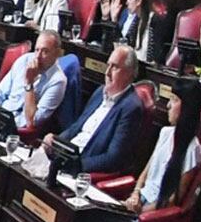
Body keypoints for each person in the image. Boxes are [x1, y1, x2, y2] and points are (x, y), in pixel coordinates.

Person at [122, 77, 201, 222]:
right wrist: (135, 195)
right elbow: (145, 172)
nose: (168, 105)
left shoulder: (192, 148)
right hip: (138, 202)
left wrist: (142, 211)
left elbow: (174, 199)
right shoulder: (165, 133)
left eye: (174, 100)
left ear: (187, 108)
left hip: (153, 218)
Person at [45, 45, 146, 174]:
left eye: (114, 67)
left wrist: (75, 166)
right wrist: (55, 141)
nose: (107, 72)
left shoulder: (131, 107)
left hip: (82, 167)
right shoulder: (100, 92)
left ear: (129, 73)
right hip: (66, 156)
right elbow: (77, 127)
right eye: (108, 65)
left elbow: (113, 158)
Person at [0, 31, 67, 132]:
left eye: (45, 51)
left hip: (17, 131)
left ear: (57, 53)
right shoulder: (24, 60)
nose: (38, 56)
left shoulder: (58, 81)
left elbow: (32, 121)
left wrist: (29, 83)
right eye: (37, 50)